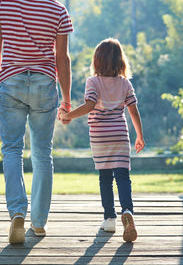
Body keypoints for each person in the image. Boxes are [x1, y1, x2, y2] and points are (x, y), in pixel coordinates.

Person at [0, 0, 73, 244]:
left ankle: (16, 212)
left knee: (12, 150)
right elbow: (62, 59)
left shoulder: (5, 0)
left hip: (10, 81)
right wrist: (67, 99)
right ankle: (38, 222)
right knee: (42, 154)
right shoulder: (58, 11)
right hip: (43, 84)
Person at [58, 38, 145, 242]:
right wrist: (140, 135)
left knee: (105, 178)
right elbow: (133, 110)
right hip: (120, 134)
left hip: (100, 136)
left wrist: (68, 115)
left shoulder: (93, 81)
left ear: (97, 61)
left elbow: (89, 105)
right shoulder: (125, 83)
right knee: (123, 176)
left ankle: (109, 219)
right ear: (120, 61)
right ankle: (128, 211)